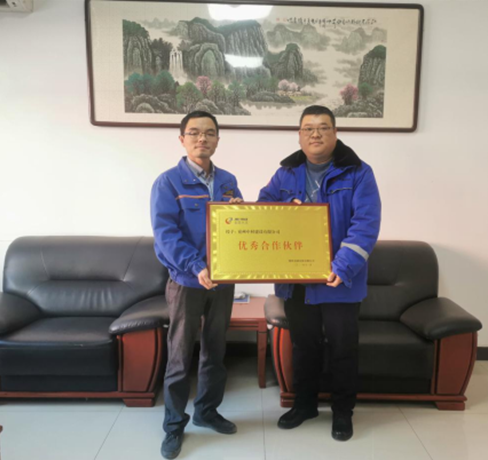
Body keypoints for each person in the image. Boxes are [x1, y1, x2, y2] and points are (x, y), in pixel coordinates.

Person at [258, 105, 381, 441]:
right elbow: (263, 209)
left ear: (335, 133)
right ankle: (304, 405)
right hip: (296, 281)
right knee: (304, 346)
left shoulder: (358, 173)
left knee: (343, 348)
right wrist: (287, 211)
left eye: (323, 127)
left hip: (339, 280)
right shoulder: (286, 173)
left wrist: (343, 266)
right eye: (308, 128)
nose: (316, 134)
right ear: (299, 135)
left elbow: (366, 224)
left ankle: (343, 412)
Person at [151, 111, 243, 459]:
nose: (202, 138)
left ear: (218, 139)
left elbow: (239, 226)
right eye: (194, 133)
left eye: (209, 133)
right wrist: (195, 265)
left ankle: (207, 411)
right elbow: (165, 235)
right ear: (182, 140)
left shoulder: (229, 180)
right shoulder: (168, 182)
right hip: (187, 281)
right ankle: (174, 425)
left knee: (215, 350)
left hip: (223, 281)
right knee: (179, 356)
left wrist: (240, 211)